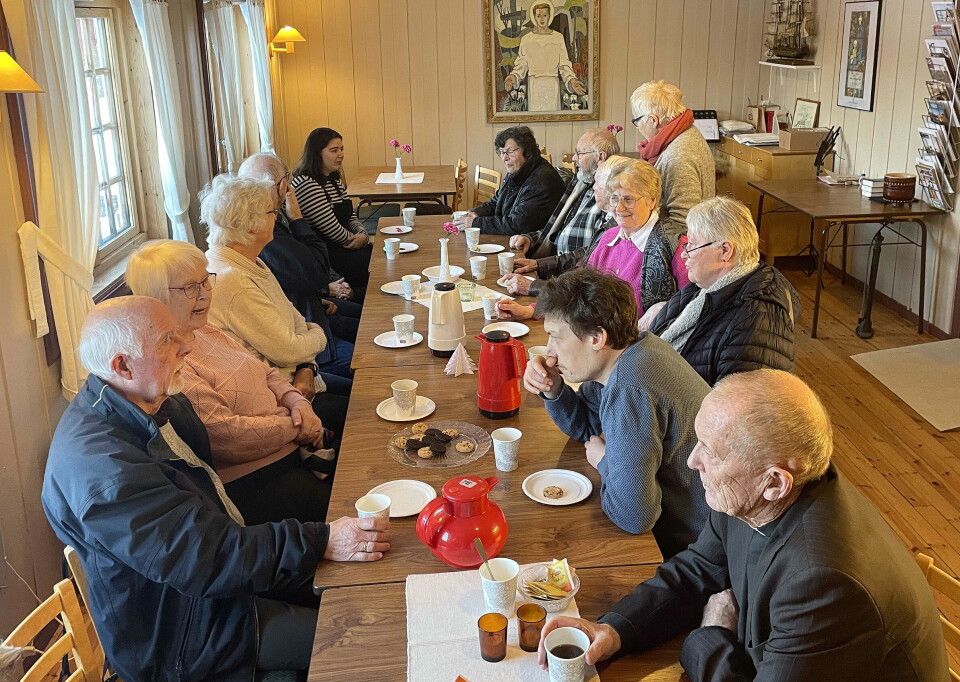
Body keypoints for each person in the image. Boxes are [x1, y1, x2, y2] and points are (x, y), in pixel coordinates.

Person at [41, 297, 390, 681]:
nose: (187, 347)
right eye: (168, 340)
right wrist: (321, 539)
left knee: (373, 583)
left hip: (218, 582)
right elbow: (204, 558)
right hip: (186, 634)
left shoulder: (144, 401)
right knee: (368, 636)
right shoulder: (106, 473)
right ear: (122, 364)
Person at [536, 370, 949, 682]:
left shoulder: (825, 585)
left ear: (774, 482)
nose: (693, 461)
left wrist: (710, 634)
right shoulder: (752, 491)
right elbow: (696, 571)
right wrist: (615, 628)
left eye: (710, 452)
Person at [127, 239, 347, 523]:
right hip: (256, 479)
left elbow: (265, 371)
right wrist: (296, 426)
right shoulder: (170, 361)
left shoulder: (204, 330)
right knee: (353, 502)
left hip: (292, 447)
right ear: (156, 297)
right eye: (191, 288)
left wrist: (299, 404)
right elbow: (228, 438)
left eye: (206, 281)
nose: (205, 294)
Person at [523, 268, 710, 558]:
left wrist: (604, 460)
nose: (550, 353)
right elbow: (586, 427)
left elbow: (634, 516)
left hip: (694, 550)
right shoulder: (637, 347)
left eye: (556, 338)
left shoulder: (631, 385)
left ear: (597, 337)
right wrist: (554, 388)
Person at [202, 174, 353, 396]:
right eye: (272, 212)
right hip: (277, 396)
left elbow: (296, 320)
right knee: (363, 400)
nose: (276, 217)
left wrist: (306, 365)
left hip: (298, 375)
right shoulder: (234, 280)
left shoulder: (253, 261)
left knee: (362, 392)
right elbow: (289, 350)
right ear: (251, 225)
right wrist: (318, 335)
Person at [498, 158, 688, 321]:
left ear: (652, 200)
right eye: (614, 198)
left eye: (628, 199)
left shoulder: (674, 245)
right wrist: (531, 310)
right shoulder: (608, 237)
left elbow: (690, 308)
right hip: (593, 337)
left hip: (641, 351)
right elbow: (578, 288)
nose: (619, 209)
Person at [643, 197, 801, 385]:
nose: (684, 253)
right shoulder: (703, 287)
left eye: (692, 245)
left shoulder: (757, 316)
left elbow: (739, 404)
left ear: (725, 250)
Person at [239, 152, 362, 345]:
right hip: (304, 325)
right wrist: (297, 218)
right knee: (369, 331)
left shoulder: (269, 217)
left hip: (308, 304)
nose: (340, 154)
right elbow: (315, 271)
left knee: (367, 316)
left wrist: (319, 294)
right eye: (334, 149)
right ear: (282, 186)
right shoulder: (264, 227)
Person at [507, 128, 620, 268]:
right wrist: (530, 239)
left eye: (579, 153)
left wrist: (541, 266)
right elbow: (558, 228)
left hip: (572, 276)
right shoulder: (582, 184)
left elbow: (594, 251)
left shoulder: (612, 196)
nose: (574, 158)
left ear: (600, 157)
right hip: (553, 265)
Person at [291, 127, 372, 291]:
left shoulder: (333, 179)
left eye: (341, 149)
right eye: (334, 150)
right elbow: (332, 230)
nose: (340, 154)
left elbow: (351, 216)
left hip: (347, 247)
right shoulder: (307, 183)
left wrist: (363, 235)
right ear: (317, 153)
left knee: (382, 256)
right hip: (329, 255)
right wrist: (359, 241)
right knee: (378, 263)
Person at [630, 80, 715, 232]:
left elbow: (683, 222)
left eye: (637, 121)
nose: (638, 128)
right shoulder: (687, 132)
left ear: (653, 120)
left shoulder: (678, 156)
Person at [455, 125, 565, 235]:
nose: (504, 158)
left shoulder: (542, 180)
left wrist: (476, 223)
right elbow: (497, 201)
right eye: (502, 152)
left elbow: (516, 225)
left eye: (510, 151)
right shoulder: (519, 170)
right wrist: (476, 213)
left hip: (531, 246)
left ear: (527, 152)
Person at [503, 2, 587, 111]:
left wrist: (572, 81)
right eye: (538, 16)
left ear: (549, 16)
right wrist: (512, 77)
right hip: (535, 85)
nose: (542, 19)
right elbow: (521, 65)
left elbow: (564, 65)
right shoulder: (527, 39)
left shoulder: (557, 38)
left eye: (545, 15)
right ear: (534, 17)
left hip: (552, 86)